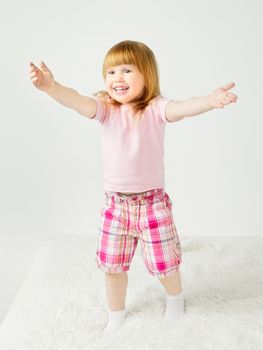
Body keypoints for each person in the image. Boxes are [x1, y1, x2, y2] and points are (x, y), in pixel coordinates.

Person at [29, 40, 238, 333]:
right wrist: (52, 87)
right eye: (111, 71)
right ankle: (116, 315)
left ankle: (175, 300)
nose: (118, 78)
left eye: (127, 70)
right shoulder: (105, 108)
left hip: (152, 205)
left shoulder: (155, 108)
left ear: (147, 76)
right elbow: (76, 100)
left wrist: (208, 100)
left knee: (166, 263)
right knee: (112, 266)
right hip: (116, 206)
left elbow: (182, 108)